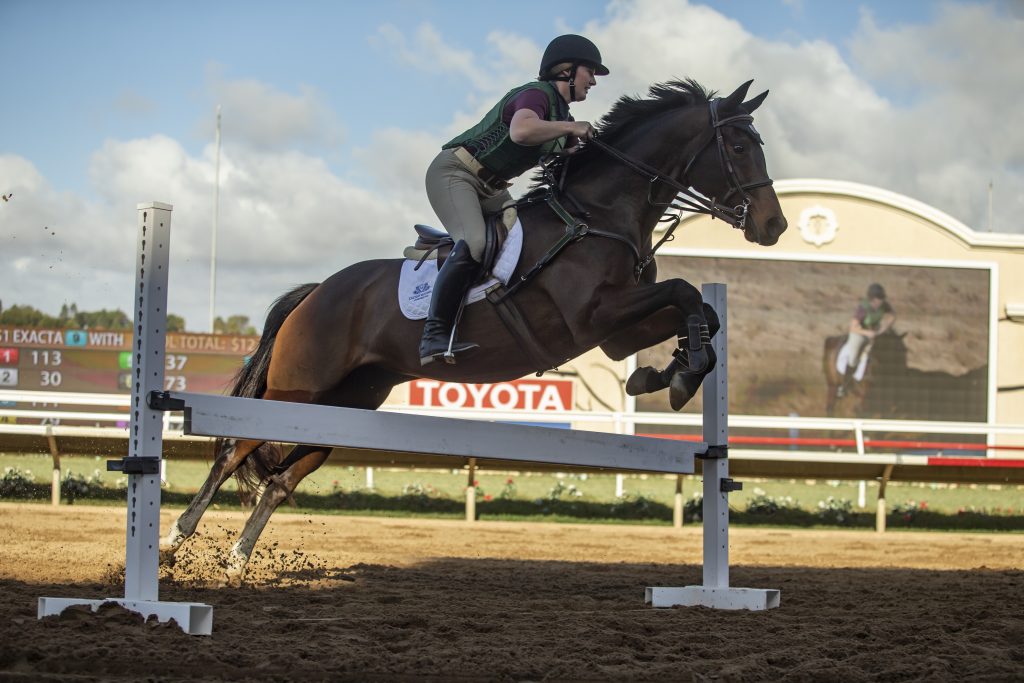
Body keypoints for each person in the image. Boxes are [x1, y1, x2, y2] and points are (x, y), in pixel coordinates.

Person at [418, 34, 609, 365]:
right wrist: (571, 127)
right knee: (475, 243)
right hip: (456, 174)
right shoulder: (537, 95)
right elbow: (521, 132)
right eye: (589, 71)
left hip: (493, 189)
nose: (592, 80)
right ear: (566, 70)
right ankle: (434, 336)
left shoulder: (558, 110)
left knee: (523, 236)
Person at [835, 283, 896, 397]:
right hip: (859, 333)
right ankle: (844, 386)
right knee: (853, 359)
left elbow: (893, 315)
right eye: (879, 299)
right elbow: (852, 327)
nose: (881, 302)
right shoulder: (863, 309)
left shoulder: (884, 304)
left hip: (875, 332)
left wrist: (883, 328)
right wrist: (867, 333)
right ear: (872, 299)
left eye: (882, 299)